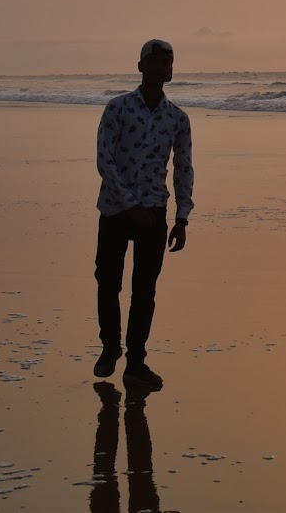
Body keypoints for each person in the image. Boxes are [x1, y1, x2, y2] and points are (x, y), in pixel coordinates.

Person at [93, 38, 192, 389]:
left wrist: (182, 217)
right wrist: (128, 204)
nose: (162, 67)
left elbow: (183, 168)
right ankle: (110, 347)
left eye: (168, 62)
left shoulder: (177, 119)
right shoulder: (118, 109)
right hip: (117, 210)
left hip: (153, 213)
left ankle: (136, 362)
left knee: (144, 291)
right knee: (107, 281)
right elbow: (104, 160)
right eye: (156, 61)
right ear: (140, 67)